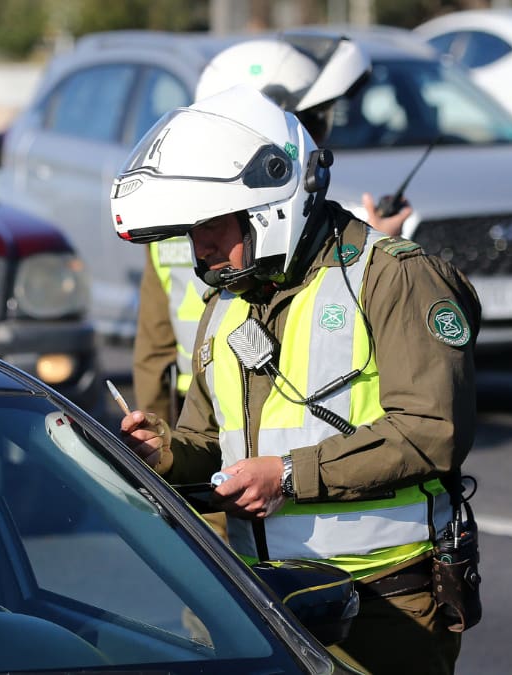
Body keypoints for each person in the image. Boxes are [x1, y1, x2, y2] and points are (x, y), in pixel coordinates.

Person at [111, 85, 479, 674]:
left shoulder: (393, 278)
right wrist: (165, 454)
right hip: (255, 598)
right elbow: (210, 443)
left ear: (270, 207)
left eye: (210, 223)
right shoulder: (227, 301)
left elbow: (431, 430)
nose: (197, 245)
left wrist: (286, 475)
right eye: (188, 227)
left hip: (384, 601)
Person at [133, 34, 412, 427]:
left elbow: (152, 352)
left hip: (223, 412)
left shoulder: (172, 221)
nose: (312, 136)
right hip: (216, 409)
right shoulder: (276, 232)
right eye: (303, 121)